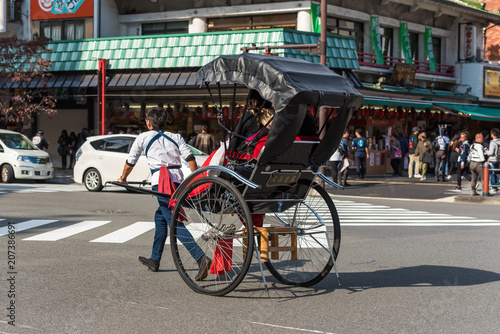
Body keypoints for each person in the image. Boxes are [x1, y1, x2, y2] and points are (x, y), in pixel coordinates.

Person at [117, 107, 210, 279]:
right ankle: (154, 259)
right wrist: (195, 179)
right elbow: (190, 158)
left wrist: (123, 178)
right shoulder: (176, 137)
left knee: (174, 222)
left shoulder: (143, 137)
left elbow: (131, 161)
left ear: (148, 123)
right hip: (178, 182)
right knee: (160, 217)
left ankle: (200, 257)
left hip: (161, 183)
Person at [486, 128, 500, 193]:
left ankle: (494, 187)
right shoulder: (499, 141)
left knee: (492, 174)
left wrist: (486, 151)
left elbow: (491, 153)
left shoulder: (492, 142)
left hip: (493, 159)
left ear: (492, 134)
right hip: (498, 159)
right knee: (495, 173)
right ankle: (498, 185)